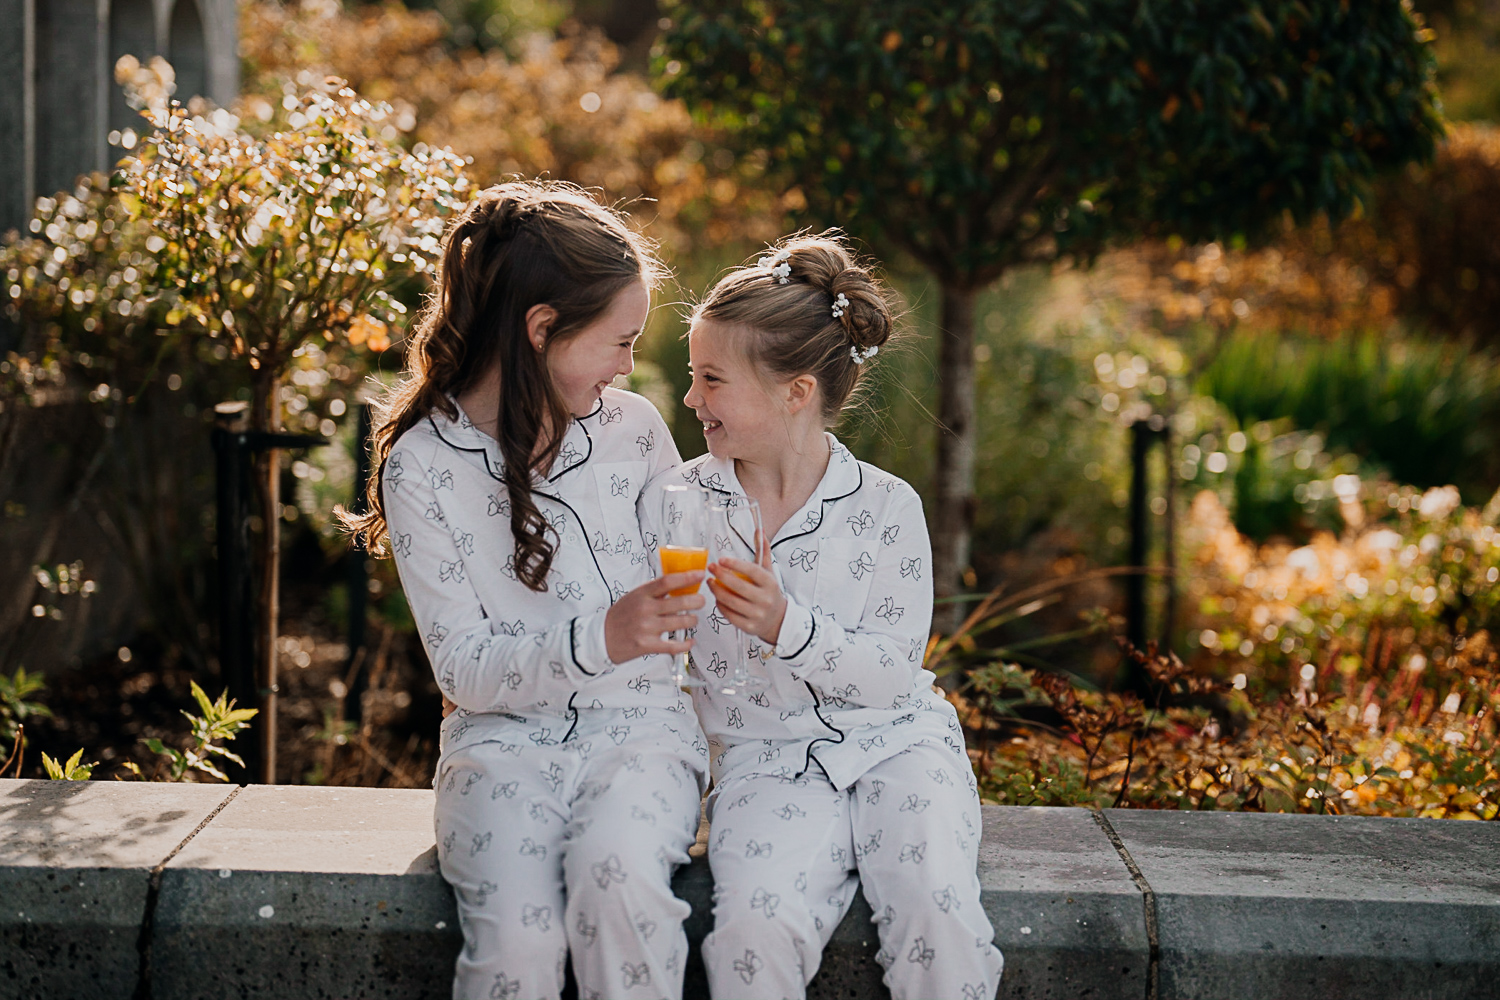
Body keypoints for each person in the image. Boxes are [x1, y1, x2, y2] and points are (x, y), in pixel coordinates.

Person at [343, 181, 710, 1000]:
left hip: (641, 736)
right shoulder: (424, 465)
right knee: (516, 937)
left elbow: (694, 582)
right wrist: (600, 637)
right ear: (542, 329)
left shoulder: (634, 429)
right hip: (497, 748)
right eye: (619, 341)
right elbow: (465, 670)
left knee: (619, 889)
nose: (629, 365)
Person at [643, 234, 1004, 1000]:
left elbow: (889, 674)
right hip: (764, 759)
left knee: (937, 915)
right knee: (752, 930)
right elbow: (656, 659)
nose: (690, 399)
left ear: (795, 392)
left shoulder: (886, 508)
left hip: (896, 745)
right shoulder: (680, 501)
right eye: (691, 377)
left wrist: (788, 626)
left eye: (711, 380)